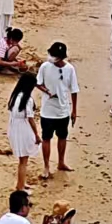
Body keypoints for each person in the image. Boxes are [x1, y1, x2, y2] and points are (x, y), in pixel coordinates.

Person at [36, 41, 78, 176]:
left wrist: (74, 110)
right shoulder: (44, 67)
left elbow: (74, 90)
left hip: (63, 111)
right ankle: (46, 166)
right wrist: (47, 92)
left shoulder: (70, 69)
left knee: (62, 137)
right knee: (46, 138)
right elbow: (38, 83)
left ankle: (61, 162)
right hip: (47, 111)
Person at [6, 71, 40, 190]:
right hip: (23, 129)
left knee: (22, 160)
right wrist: (36, 135)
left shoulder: (15, 96)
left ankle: (21, 183)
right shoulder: (27, 100)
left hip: (14, 127)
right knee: (23, 161)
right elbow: (30, 119)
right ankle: (20, 187)